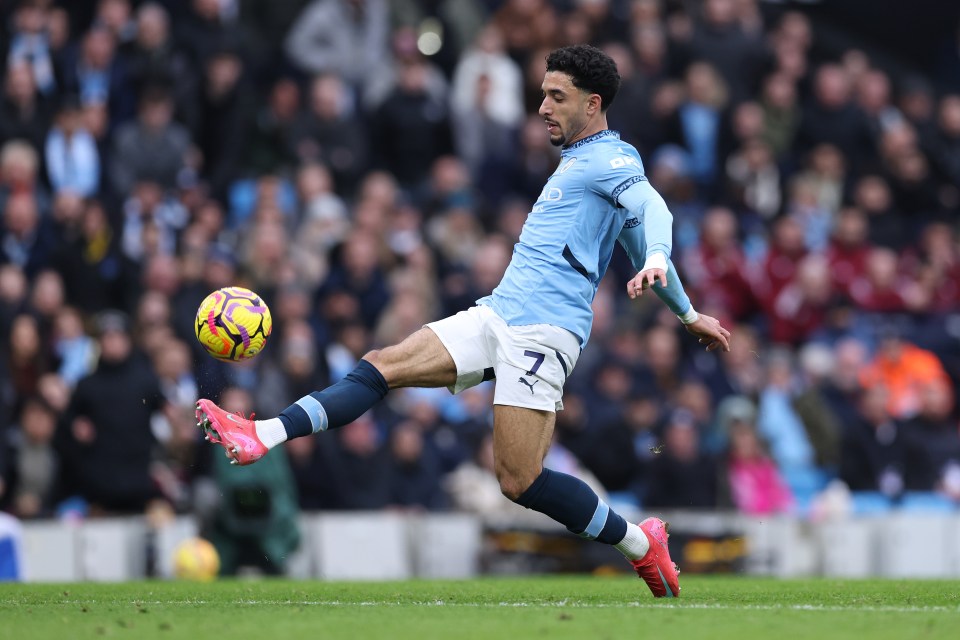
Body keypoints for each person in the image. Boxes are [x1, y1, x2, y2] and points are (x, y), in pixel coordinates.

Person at [196, 45, 731, 598]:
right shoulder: (581, 163)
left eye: (557, 96)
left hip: (543, 333)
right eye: (542, 93)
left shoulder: (614, 160)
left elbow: (654, 212)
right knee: (382, 365)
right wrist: (687, 312)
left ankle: (641, 545)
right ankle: (261, 433)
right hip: (497, 312)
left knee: (518, 481)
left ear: (593, 104)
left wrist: (660, 256)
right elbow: (645, 247)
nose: (542, 106)